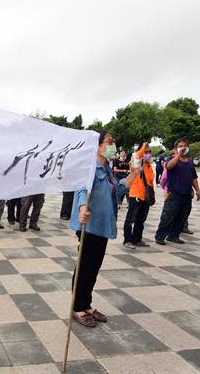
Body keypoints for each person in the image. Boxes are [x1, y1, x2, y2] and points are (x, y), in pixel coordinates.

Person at [70, 131, 122, 327]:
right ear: (97, 146)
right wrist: (82, 209)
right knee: (84, 267)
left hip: (103, 226)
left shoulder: (107, 168)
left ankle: (87, 303)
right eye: (109, 141)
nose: (113, 145)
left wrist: (133, 175)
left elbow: (117, 190)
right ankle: (77, 307)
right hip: (89, 226)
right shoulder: (89, 168)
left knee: (93, 268)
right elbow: (82, 189)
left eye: (113, 141)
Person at [154, 138, 200, 245]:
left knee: (182, 216)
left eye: (185, 145)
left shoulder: (189, 162)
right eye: (180, 146)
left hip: (186, 194)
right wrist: (178, 155)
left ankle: (174, 236)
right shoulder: (171, 158)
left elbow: (194, 177)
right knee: (168, 216)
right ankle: (160, 236)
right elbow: (169, 166)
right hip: (174, 193)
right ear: (176, 148)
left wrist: (198, 191)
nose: (183, 147)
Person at [123, 143, 154, 249]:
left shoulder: (149, 165)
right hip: (135, 195)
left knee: (141, 219)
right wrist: (143, 147)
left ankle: (137, 239)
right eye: (146, 152)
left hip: (145, 196)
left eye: (149, 152)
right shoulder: (136, 162)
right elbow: (136, 156)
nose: (148, 154)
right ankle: (127, 240)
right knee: (131, 218)